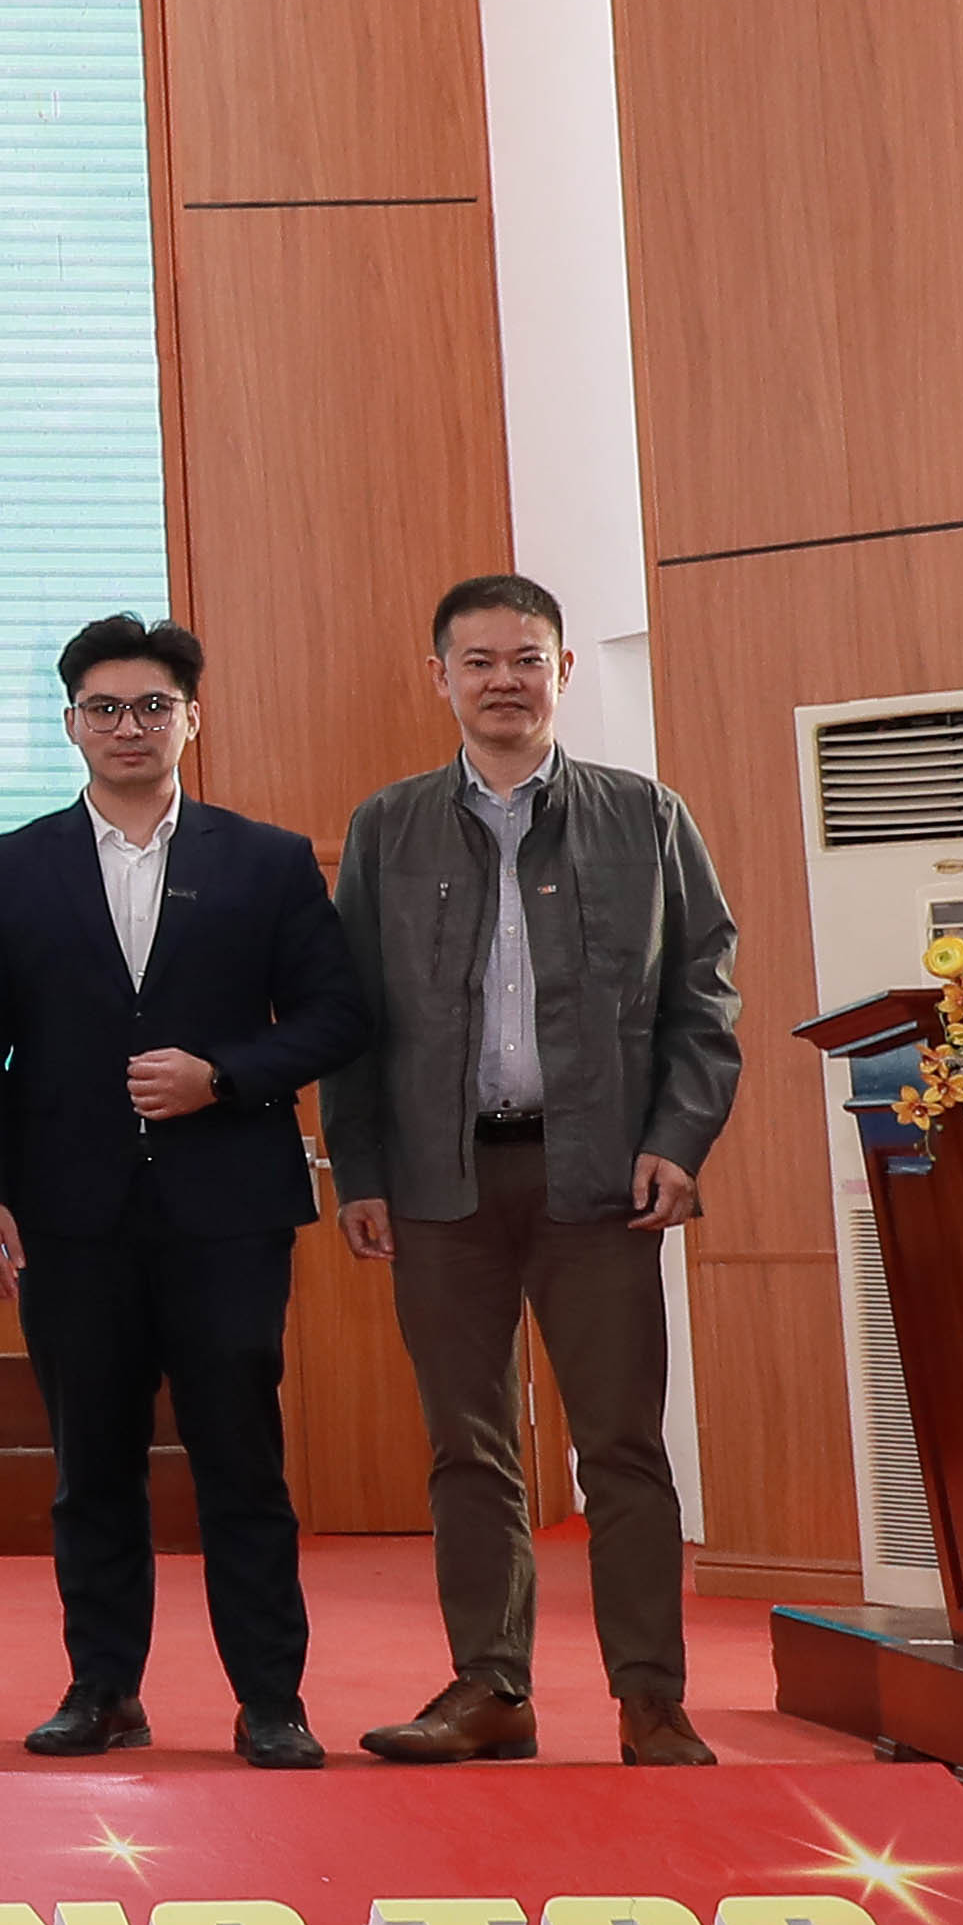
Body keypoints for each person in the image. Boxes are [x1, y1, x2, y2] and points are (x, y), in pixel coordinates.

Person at [331, 573, 747, 1769]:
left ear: (562, 671)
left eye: (525, 658)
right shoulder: (387, 826)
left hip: (601, 1183)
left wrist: (677, 1140)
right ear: (440, 678)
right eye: (478, 661)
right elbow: (349, 1015)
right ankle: (490, 1688)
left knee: (620, 1447)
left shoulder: (645, 815)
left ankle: (650, 1699)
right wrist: (359, 1168)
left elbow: (704, 995)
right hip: (440, 1182)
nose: (502, 680)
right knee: (467, 1446)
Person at [0, 616, 367, 1768]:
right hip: (67, 1216)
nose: (127, 726)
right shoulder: (4, 866)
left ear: (192, 717)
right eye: (103, 707)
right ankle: (102, 1690)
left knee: (241, 1462)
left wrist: (221, 1075)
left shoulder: (265, 859)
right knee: (92, 1466)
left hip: (226, 1211)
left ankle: (270, 1700)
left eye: (151, 706)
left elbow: (335, 1015)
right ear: (70, 721)